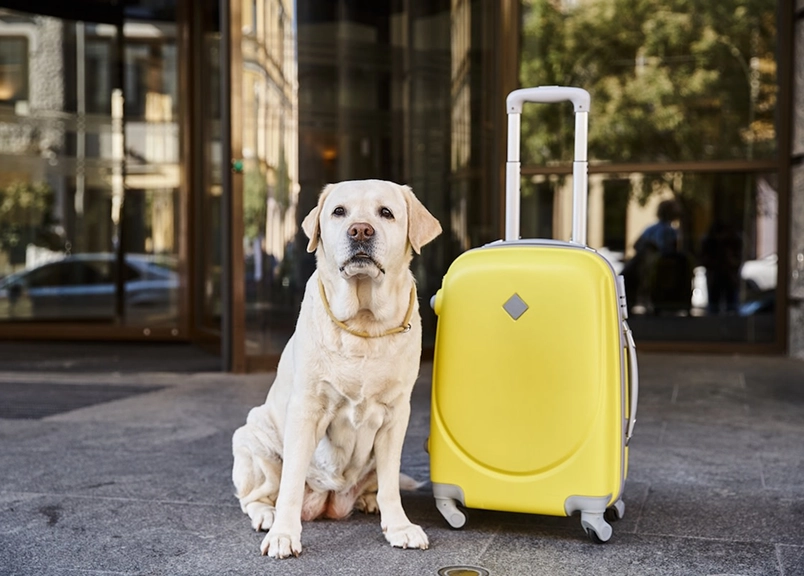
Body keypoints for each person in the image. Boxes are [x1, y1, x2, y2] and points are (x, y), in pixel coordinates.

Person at [622, 199, 688, 314]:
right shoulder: (663, 230)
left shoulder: (665, 230)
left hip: (659, 261)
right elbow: (638, 245)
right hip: (651, 260)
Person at [700, 220, 743, 314]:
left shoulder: (733, 241)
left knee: (731, 305)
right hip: (718, 275)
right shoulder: (710, 242)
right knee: (715, 306)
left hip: (728, 275)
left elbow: (738, 259)